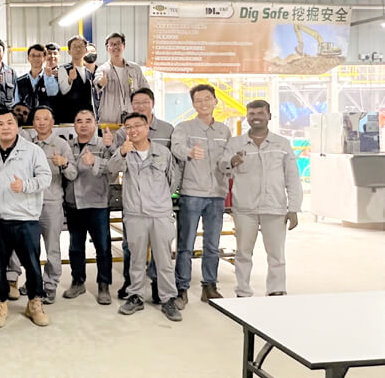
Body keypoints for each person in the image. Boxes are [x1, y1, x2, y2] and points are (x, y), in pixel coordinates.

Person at [220, 100, 302, 298]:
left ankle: (276, 290)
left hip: (274, 207)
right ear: (247, 117)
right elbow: (222, 166)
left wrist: (293, 208)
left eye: (260, 113)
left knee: (276, 254)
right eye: (251, 114)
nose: (255, 117)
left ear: (269, 116)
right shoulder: (236, 143)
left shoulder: (281, 144)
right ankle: (243, 291)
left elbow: (292, 176)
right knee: (243, 253)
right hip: (244, 208)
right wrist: (231, 161)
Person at [0, 109, 52, 328]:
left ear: (17, 126)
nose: (5, 127)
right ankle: (0, 304)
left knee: (32, 265)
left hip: (26, 217)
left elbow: (45, 177)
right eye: (0, 124)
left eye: (10, 123)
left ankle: (35, 303)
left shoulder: (33, 151)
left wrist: (25, 186)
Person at [116, 112, 183, 322]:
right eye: (128, 127)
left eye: (137, 125)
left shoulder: (163, 152)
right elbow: (110, 170)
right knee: (136, 259)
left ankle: (168, 298)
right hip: (135, 214)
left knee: (164, 259)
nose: (133, 130)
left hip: (160, 214)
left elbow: (173, 179)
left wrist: (160, 199)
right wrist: (121, 153)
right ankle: (135, 295)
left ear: (147, 128)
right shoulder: (125, 151)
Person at [170, 84, 231, 309]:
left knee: (212, 244)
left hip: (217, 194)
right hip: (192, 193)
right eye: (198, 100)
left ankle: (209, 286)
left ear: (215, 101)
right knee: (185, 244)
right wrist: (189, 152)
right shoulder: (184, 128)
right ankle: (182, 288)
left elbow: (227, 159)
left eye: (207, 99)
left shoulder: (224, 131)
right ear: (193, 104)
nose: (203, 103)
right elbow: (176, 147)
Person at [61, 110, 119, 306]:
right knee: (75, 247)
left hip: (97, 203)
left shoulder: (104, 144)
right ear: (74, 125)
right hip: (74, 203)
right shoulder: (67, 146)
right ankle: (78, 281)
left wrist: (96, 161)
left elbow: (114, 168)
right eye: (79, 121)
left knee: (102, 247)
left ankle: (104, 285)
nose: (83, 124)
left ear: (95, 124)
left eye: (88, 121)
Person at [29, 106, 76, 304]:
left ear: (52, 122)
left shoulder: (61, 145)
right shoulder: (27, 144)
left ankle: (50, 285)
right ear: (33, 123)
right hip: (28, 204)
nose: (41, 122)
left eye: (45, 119)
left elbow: (72, 174)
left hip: (51, 203)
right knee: (30, 248)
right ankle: (33, 283)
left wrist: (64, 163)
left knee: (52, 248)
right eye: (37, 119)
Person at [95, 32, 149, 124]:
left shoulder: (135, 68)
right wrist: (101, 83)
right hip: (110, 121)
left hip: (132, 117)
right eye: (112, 44)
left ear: (124, 46)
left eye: (118, 43)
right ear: (107, 48)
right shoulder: (102, 69)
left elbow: (145, 89)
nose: (115, 47)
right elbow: (97, 85)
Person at [58, 35, 94, 123]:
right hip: (69, 117)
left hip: (86, 118)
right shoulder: (63, 69)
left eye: (81, 46)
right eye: (74, 47)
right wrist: (69, 80)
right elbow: (63, 90)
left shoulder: (88, 72)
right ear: (69, 51)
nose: (78, 49)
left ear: (86, 50)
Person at [15, 44, 58, 112]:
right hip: (27, 117)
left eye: (39, 56)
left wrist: (48, 77)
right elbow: (16, 103)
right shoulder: (20, 81)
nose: (36, 58)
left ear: (44, 58)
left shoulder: (50, 78)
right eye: (33, 55)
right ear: (28, 58)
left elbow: (53, 93)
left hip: (45, 116)